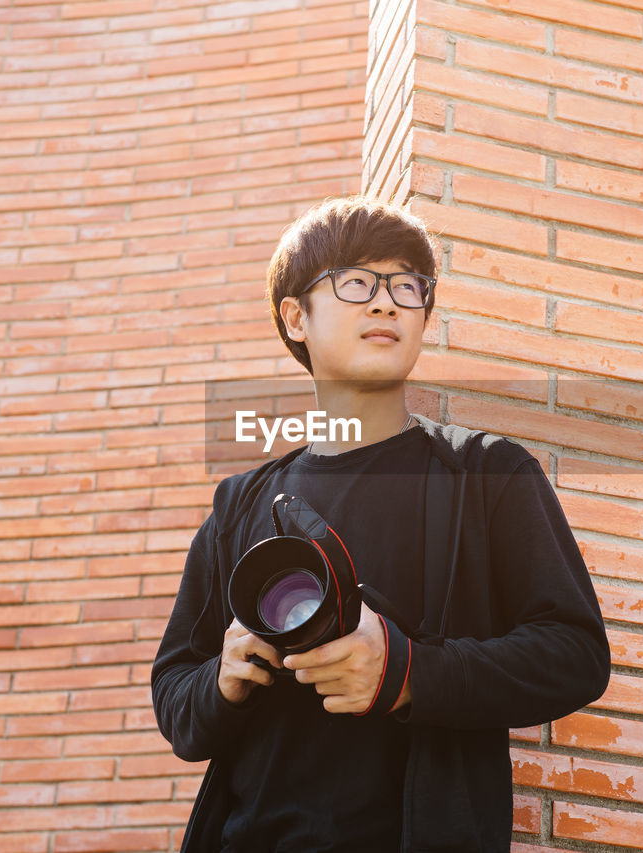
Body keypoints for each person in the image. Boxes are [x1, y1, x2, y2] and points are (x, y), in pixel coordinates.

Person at [151, 195, 610, 852]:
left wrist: (406, 673)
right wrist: (224, 675)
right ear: (295, 316)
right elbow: (175, 693)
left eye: (408, 286)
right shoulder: (239, 504)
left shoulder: (488, 474)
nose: (388, 302)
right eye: (358, 282)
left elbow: (576, 654)